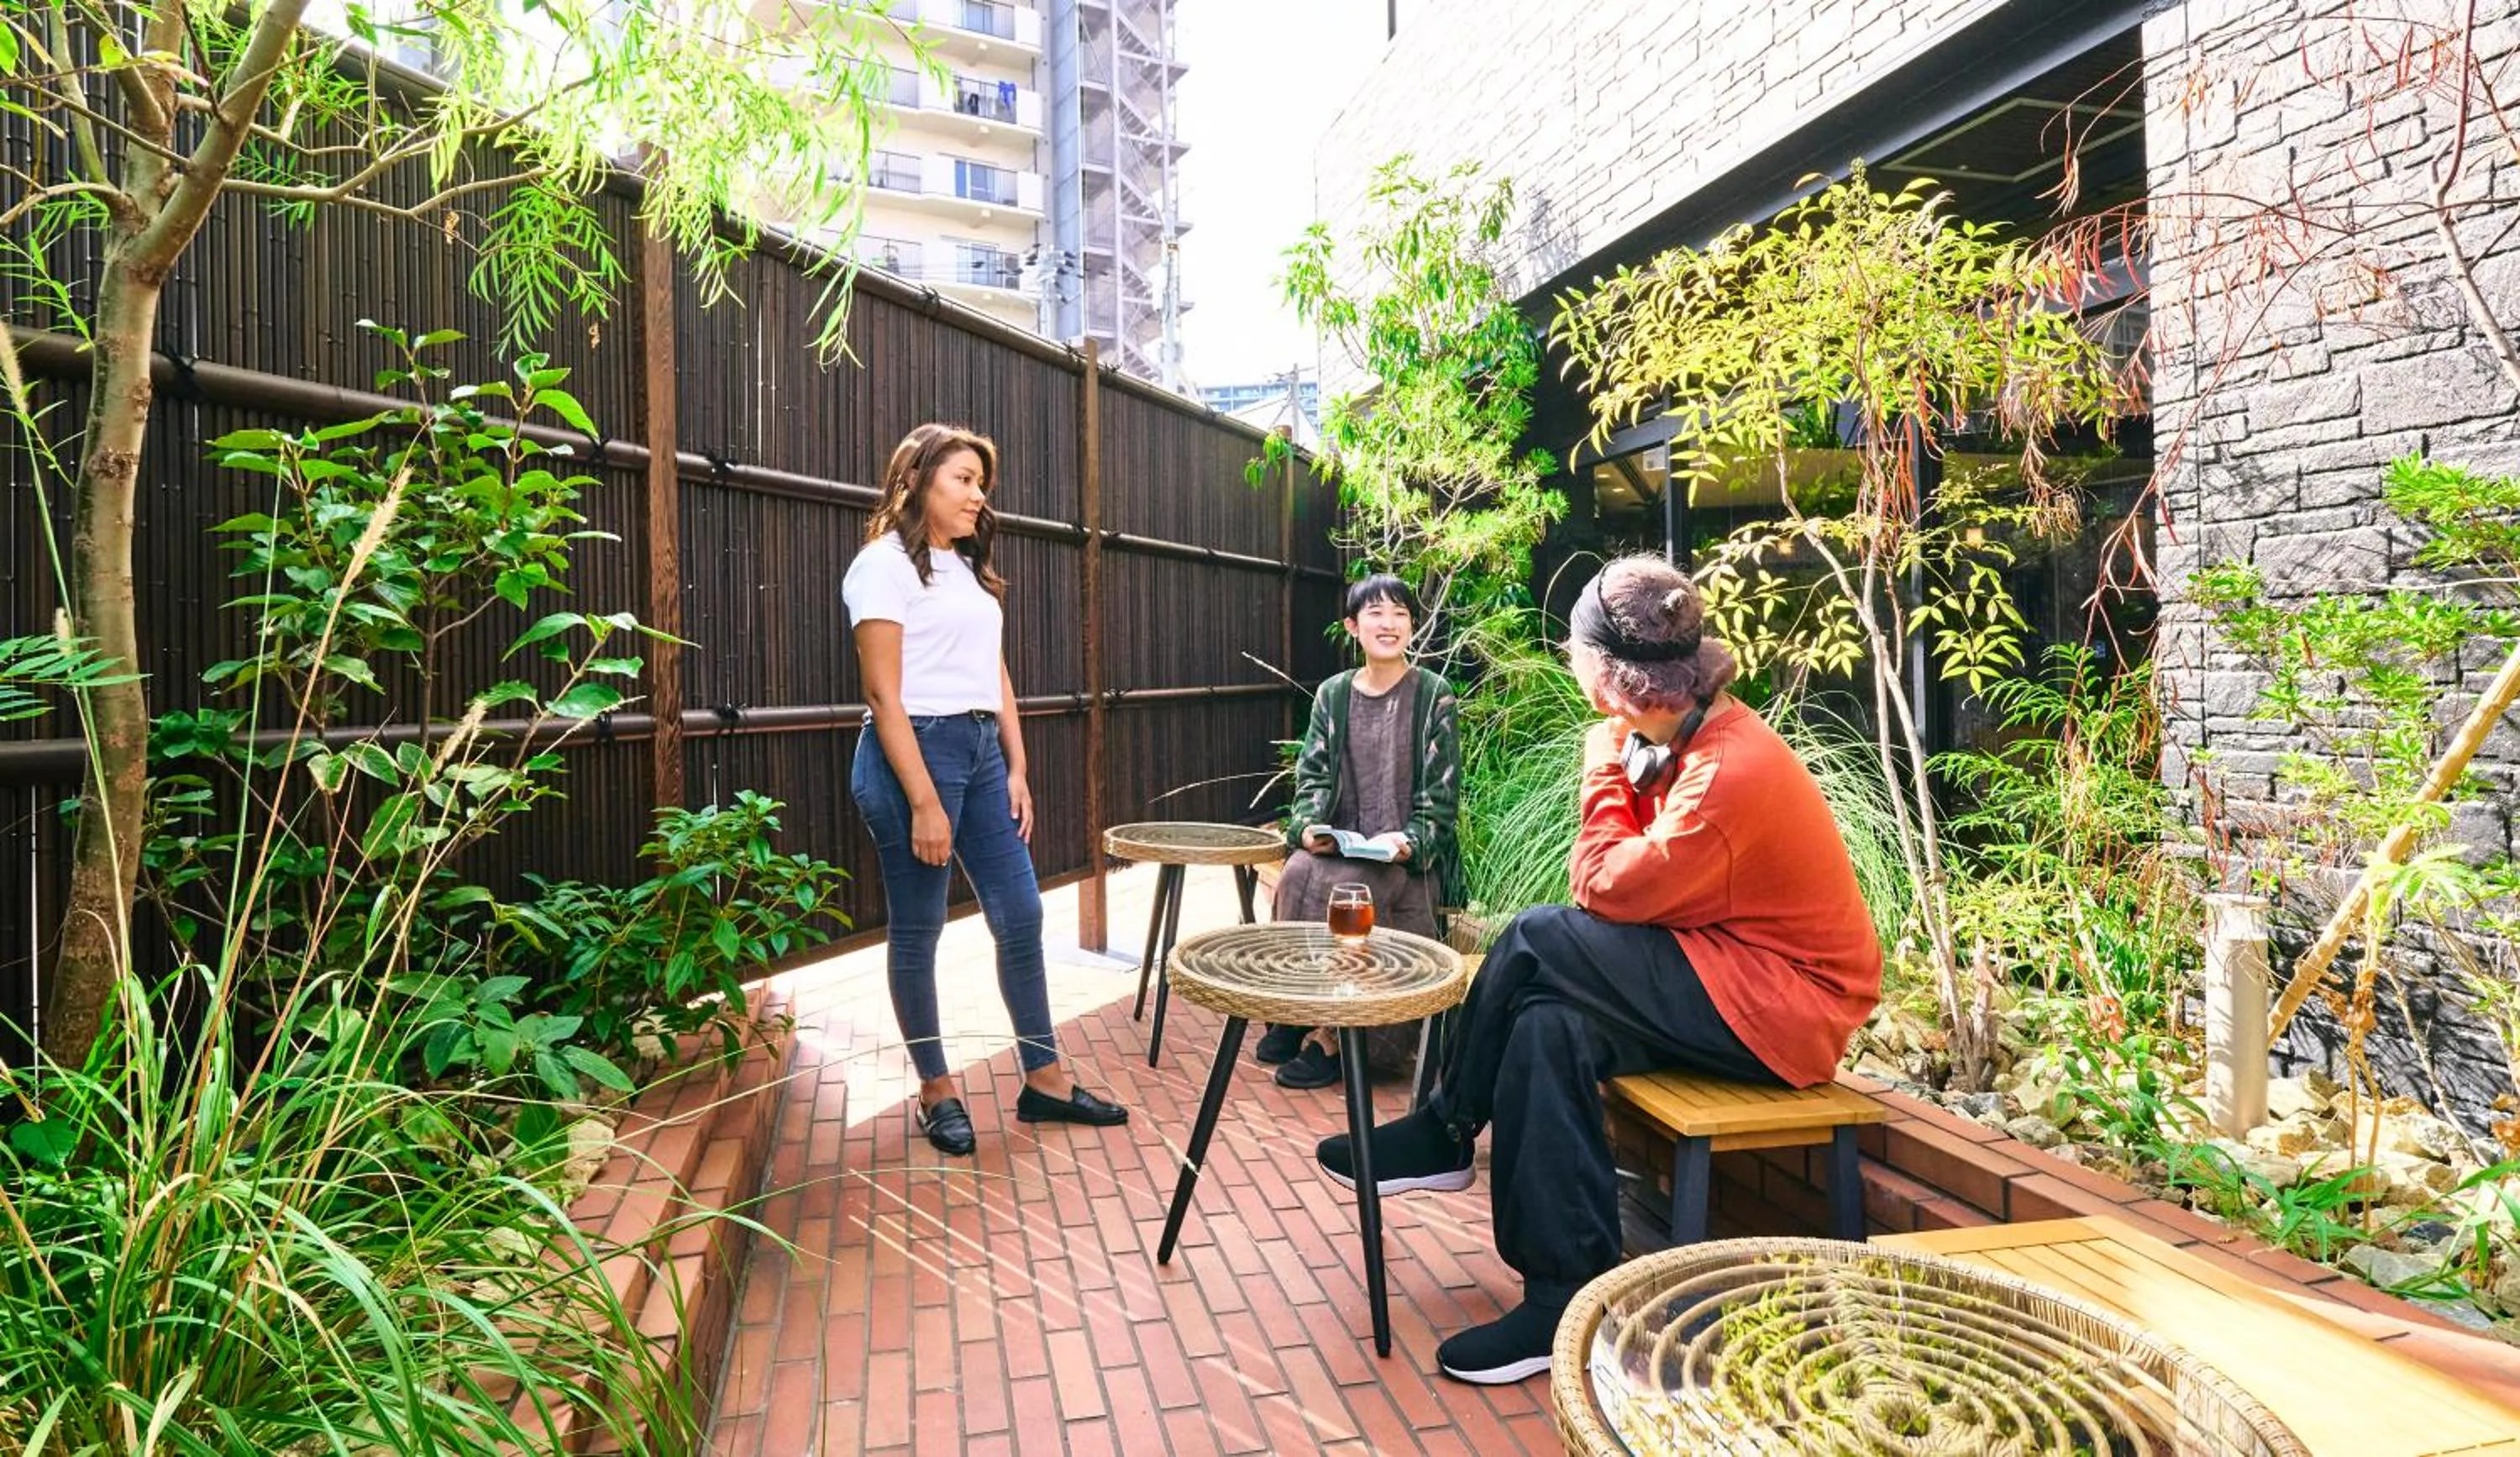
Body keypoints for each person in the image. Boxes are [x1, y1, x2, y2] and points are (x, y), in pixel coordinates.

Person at [1315, 554, 1882, 1385]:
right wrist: (1621, 756)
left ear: (1607, 677)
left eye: (1574, 651)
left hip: (1783, 1008)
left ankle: (1445, 1126)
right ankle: (1560, 1296)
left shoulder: (1730, 769)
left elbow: (1603, 888)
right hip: (1719, 973)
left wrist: (1601, 761)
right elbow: (1649, 897)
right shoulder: (1676, 734)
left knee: (1543, 935)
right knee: (1550, 1027)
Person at [844, 423, 1129, 1157]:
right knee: (919, 928)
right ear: (917, 481)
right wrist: (925, 801)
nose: (977, 496)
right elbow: (882, 692)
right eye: (963, 480)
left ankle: (1045, 1081)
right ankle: (935, 1090)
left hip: (975, 752)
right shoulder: (882, 566)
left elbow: (992, 671)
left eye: (980, 484)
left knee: (1021, 912)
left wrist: (1017, 764)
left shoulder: (963, 567)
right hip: (916, 757)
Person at [1258, 575, 1460, 1089]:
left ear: (1413, 626)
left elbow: (1441, 798)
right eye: (1375, 613)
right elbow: (1313, 777)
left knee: (1354, 891)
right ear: (1353, 626)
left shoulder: (1435, 696)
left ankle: (1333, 1036)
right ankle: (1295, 1009)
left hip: (1405, 861)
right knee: (1298, 874)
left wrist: (1410, 841)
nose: (1388, 623)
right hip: (1342, 841)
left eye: (1399, 613)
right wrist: (1307, 830)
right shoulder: (1333, 694)